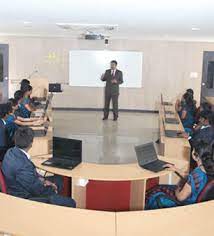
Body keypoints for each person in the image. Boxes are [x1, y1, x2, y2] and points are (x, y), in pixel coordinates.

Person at [1, 127, 76, 208]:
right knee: (71, 202)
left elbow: (30, 178)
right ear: (31, 143)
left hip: (20, 186)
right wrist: (52, 188)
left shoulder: (10, 152)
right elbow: (36, 190)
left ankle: (55, 198)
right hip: (25, 197)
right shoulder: (23, 166)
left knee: (58, 179)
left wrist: (43, 180)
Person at [145, 141, 214, 210]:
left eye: (193, 150)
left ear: (196, 156)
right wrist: (175, 169)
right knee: (158, 188)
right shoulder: (207, 167)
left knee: (155, 193)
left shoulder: (196, 173)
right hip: (193, 198)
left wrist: (178, 188)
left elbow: (180, 198)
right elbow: (191, 178)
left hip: (185, 204)